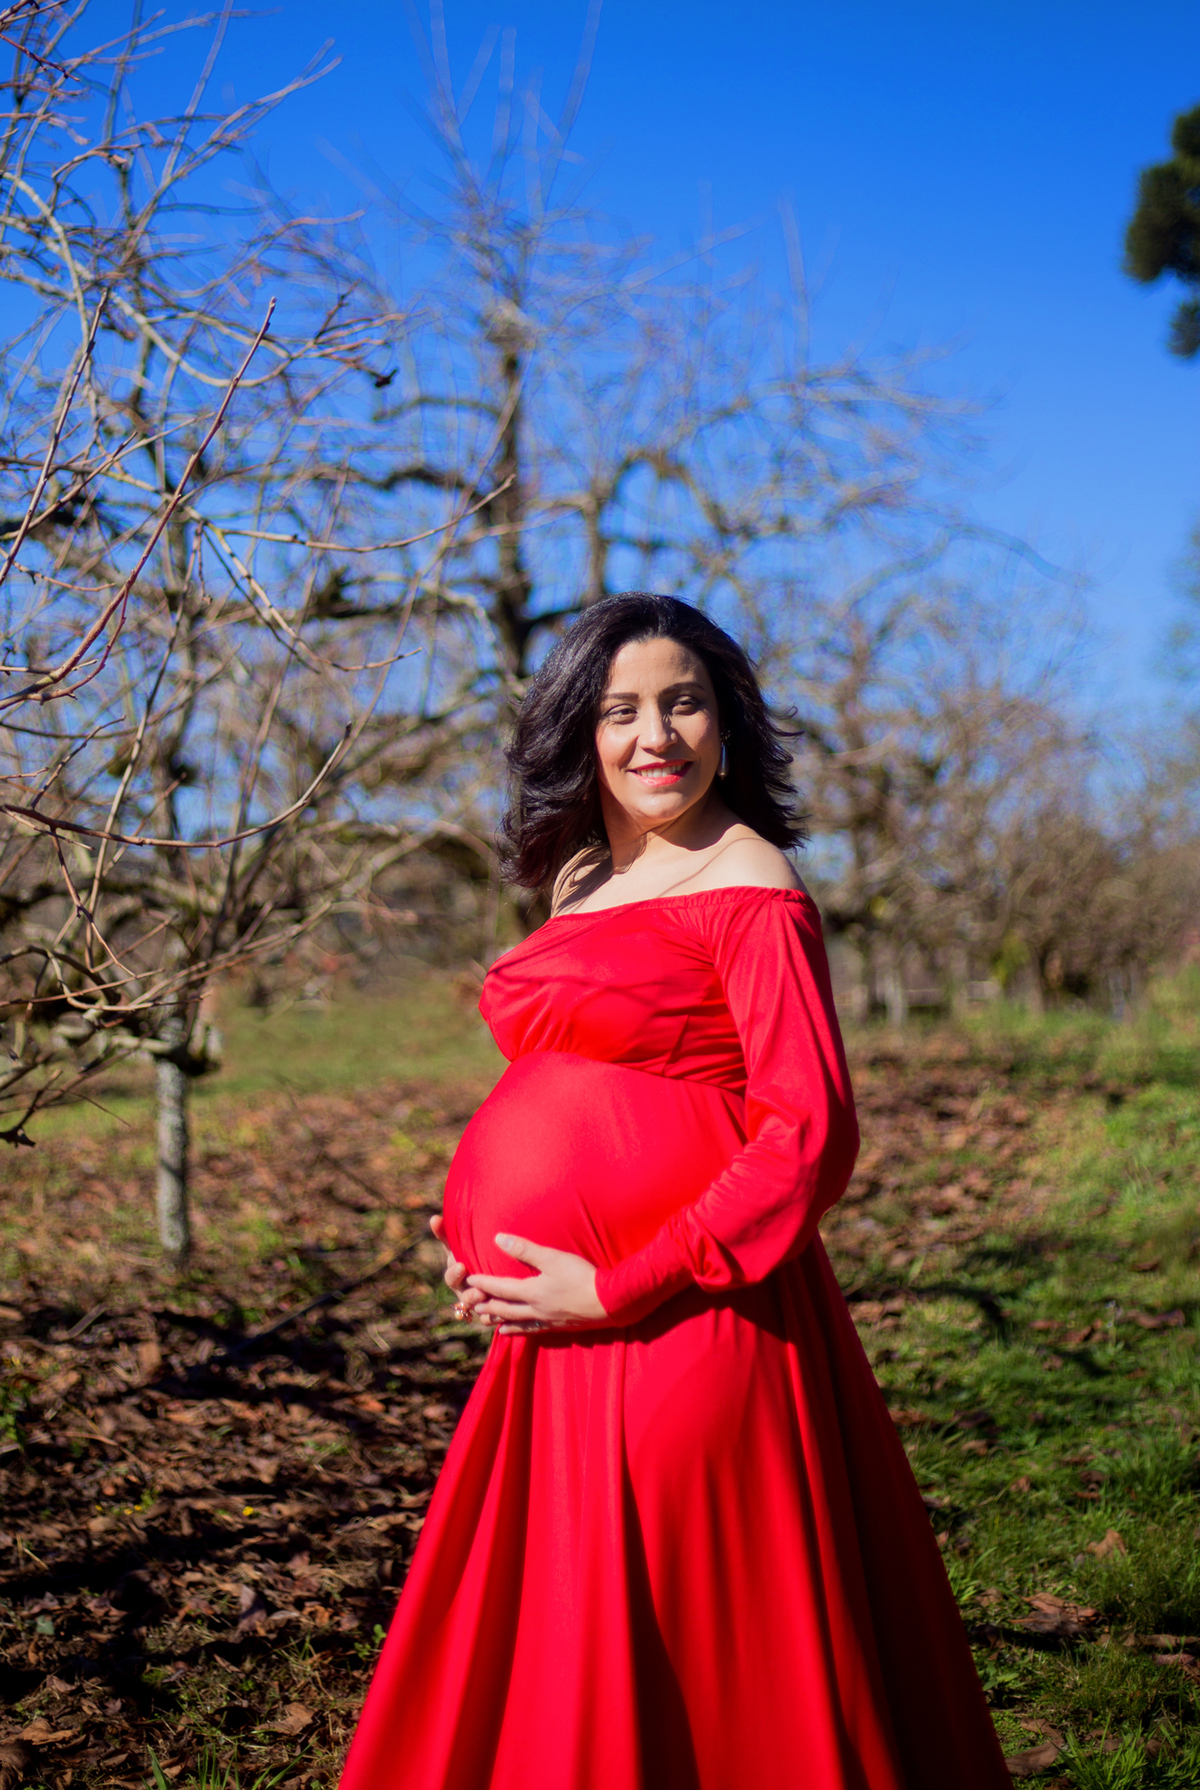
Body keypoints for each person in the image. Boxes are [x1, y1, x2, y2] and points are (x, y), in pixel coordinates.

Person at [338, 593, 1011, 1790]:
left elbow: (807, 1135)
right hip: (560, 1332)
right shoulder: (582, 879)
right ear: (579, 733)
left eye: (683, 702)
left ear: (726, 722)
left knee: (698, 1645)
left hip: (687, 1319)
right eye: (621, 711)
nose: (656, 736)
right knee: (573, 1647)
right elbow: (571, 1076)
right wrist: (484, 1235)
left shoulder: (748, 876)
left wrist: (620, 1283)